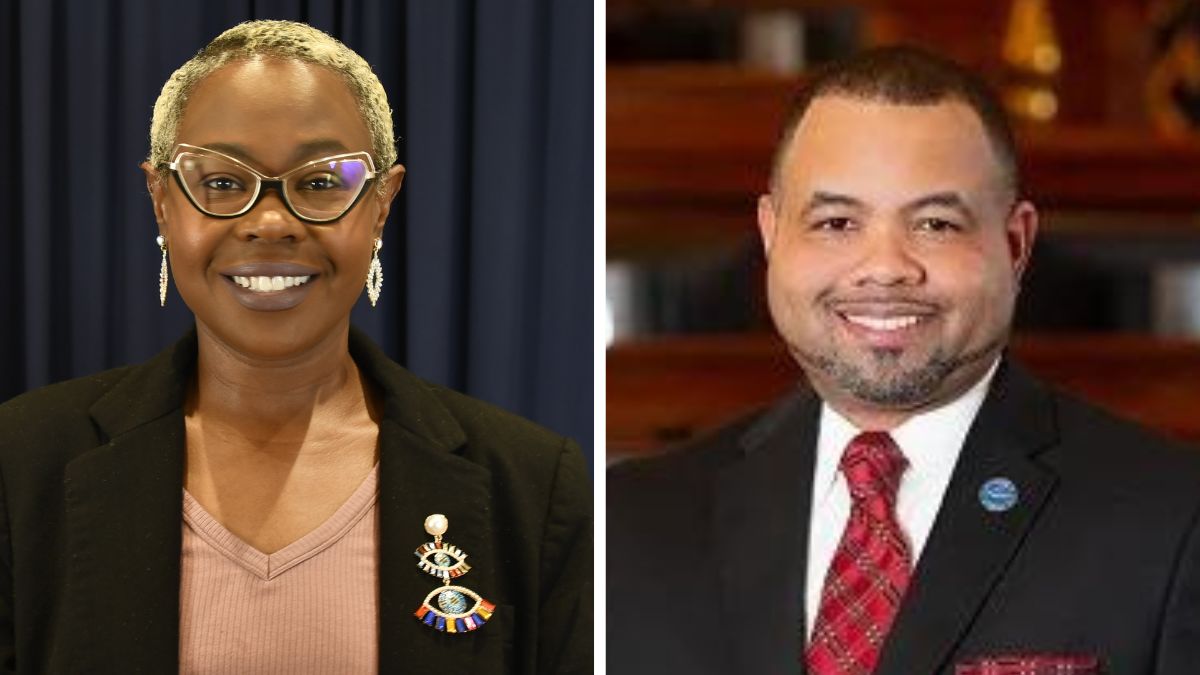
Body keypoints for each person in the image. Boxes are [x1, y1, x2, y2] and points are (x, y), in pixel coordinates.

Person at [0, 20, 590, 674]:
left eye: (319, 181)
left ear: (381, 205)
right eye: (222, 183)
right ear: (162, 201)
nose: (271, 222)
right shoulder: (20, 461)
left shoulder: (534, 486)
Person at [608, 46, 1200, 675]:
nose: (885, 267)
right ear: (771, 236)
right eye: (836, 222)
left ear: (1015, 244)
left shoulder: (1174, 519)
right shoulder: (630, 524)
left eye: (936, 224)